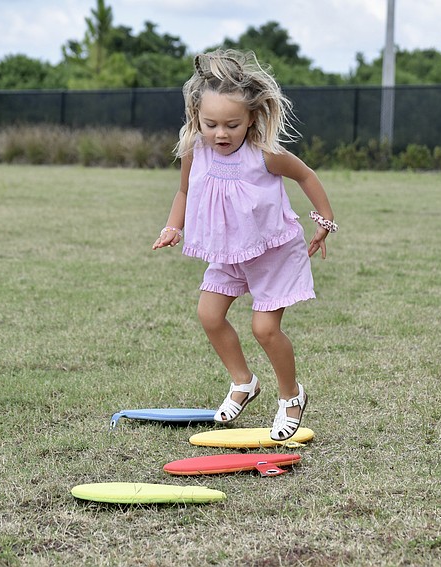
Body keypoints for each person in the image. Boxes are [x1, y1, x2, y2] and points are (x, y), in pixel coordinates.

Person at [152, 49, 336, 441]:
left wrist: (324, 221)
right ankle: (244, 382)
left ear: (251, 118)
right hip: (229, 249)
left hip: (272, 251)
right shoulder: (194, 150)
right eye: (211, 123)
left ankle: (291, 396)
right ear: (196, 118)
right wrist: (173, 226)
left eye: (232, 124)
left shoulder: (265, 155)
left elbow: (306, 175)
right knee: (209, 315)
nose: (221, 133)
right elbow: (184, 191)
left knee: (264, 329)